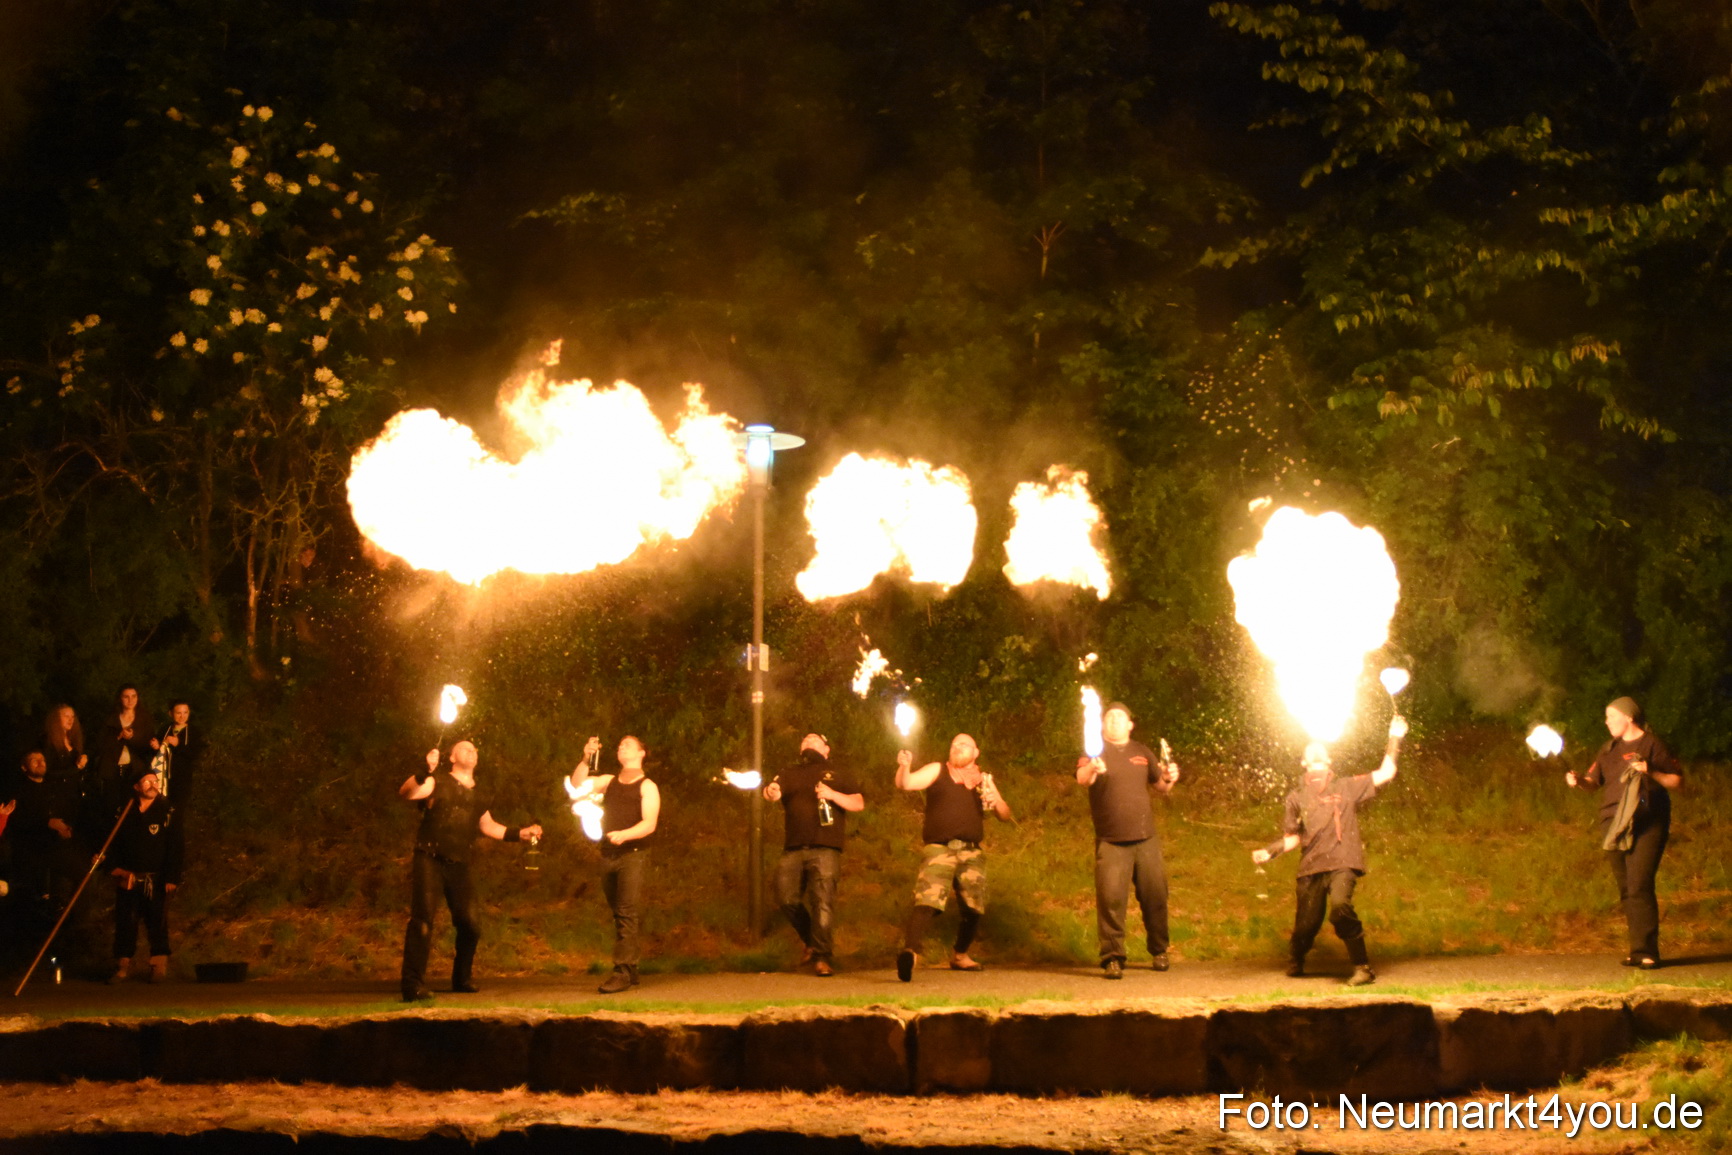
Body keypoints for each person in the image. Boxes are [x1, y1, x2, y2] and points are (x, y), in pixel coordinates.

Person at [1252, 714, 1407, 986]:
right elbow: (1293, 837)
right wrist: (1270, 851)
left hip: (1342, 862)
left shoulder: (1346, 786)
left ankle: (1362, 967)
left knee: (1340, 907)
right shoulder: (1296, 797)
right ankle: (1297, 957)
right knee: (1306, 926)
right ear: (1304, 762)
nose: (1315, 748)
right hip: (1311, 867)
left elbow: (1386, 773)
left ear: (1329, 760)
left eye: (1320, 751)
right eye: (1309, 752)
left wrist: (1395, 736)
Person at [397, 739, 543, 1002]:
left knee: (471, 924)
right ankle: (412, 984)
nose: (471, 751)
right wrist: (424, 771)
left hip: (458, 863)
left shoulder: (478, 793)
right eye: (465, 748)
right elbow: (408, 793)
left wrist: (519, 834)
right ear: (451, 757)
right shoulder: (437, 781)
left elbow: (488, 826)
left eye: (475, 749)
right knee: (422, 922)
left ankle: (461, 978)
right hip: (429, 857)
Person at [1566, 696, 1684, 968]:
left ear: (1628, 717)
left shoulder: (1652, 744)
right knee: (1626, 888)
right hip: (1613, 823)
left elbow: (1677, 780)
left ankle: (1648, 951)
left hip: (1648, 822)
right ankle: (1637, 949)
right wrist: (1578, 782)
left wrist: (1650, 770)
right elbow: (1592, 783)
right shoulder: (1608, 749)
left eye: (1611, 716)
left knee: (1640, 883)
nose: (1606, 722)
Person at [1074, 702, 1181, 978]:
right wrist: (1094, 770)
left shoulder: (1142, 752)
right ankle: (1112, 957)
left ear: (1130, 724)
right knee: (1111, 900)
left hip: (1146, 839)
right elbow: (1081, 778)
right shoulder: (1093, 751)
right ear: (1102, 724)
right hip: (1111, 840)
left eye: (1120, 717)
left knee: (1155, 896)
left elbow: (1162, 786)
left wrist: (1172, 778)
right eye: (1109, 717)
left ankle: (1159, 950)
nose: (1114, 721)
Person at [893, 733, 1011, 982]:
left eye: (964, 745)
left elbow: (1004, 814)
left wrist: (997, 800)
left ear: (975, 752)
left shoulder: (983, 780)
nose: (957, 748)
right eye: (954, 744)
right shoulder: (938, 770)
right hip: (939, 848)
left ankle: (960, 955)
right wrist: (904, 766)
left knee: (974, 907)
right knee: (927, 902)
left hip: (971, 851)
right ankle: (910, 953)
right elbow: (906, 783)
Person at [764, 733, 865, 976]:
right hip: (794, 846)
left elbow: (858, 803)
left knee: (822, 903)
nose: (808, 741)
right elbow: (773, 794)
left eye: (814, 739)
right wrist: (771, 791)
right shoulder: (789, 771)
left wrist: (832, 795)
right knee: (785, 896)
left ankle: (822, 957)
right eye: (805, 740)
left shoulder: (837, 772)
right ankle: (812, 940)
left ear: (826, 749)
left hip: (826, 847)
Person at [569, 735, 660, 993]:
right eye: (620, 745)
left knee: (626, 912)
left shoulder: (647, 786)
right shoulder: (609, 782)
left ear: (642, 753)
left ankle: (621, 972)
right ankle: (631, 968)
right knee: (619, 914)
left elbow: (649, 823)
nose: (622, 747)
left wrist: (625, 834)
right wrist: (586, 758)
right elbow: (577, 785)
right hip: (607, 855)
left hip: (632, 854)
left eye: (629, 744)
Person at [106, 768, 184, 983]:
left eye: (155, 781)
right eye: (147, 781)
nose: (153, 785)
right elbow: (114, 843)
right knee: (126, 921)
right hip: (129, 876)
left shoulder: (167, 811)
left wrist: (172, 877)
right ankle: (122, 966)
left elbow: (175, 847)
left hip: (157, 877)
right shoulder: (124, 811)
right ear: (137, 787)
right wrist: (113, 867)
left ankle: (158, 965)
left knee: (157, 922)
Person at [5, 751, 81, 944]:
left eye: (43, 759)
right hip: (30, 851)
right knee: (32, 897)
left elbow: (66, 810)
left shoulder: (52, 787)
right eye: (34, 760)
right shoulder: (18, 790)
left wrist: (67, 826)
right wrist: (47, 823)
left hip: (56, 847)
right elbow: (15, 821)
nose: (40, 763)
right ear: (24, 767)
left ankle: (72, 926)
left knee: (81, 873)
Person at [92, 686, 154, 823]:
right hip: (112, 769)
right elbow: (100, 744)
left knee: (131, 808)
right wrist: (118, 737)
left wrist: (132, 738)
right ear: (120, 699)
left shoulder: (144, 719)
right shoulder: (111, 719)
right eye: (126, 696)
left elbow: (147, 747)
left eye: (133, 696)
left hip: (134, 770)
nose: (130, 700)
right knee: (110, 808)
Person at [150, 701, 198, 810]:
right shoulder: (165, 729)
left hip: (181, 781)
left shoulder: (193, 732)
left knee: (177, 812)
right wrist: (156, 747)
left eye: (185, 712)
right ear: (170, 713)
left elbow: (194, 754)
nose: (182, 716)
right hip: (162, 778)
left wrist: (178, 745)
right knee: (160, 810)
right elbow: (157, 754)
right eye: (178, 713)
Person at [43, 705, 89, 785]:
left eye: (72, 717)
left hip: (74, 788)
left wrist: (83, 758)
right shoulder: (48, 742)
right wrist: (75, 768)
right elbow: (49, 772)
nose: (70, 720)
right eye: (66, 716)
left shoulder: (73, 741)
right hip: (57, 788)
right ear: (56, 718)